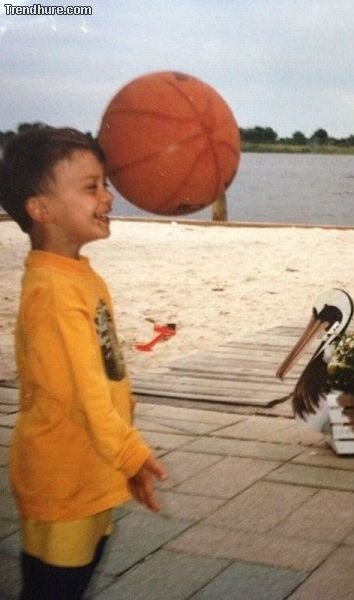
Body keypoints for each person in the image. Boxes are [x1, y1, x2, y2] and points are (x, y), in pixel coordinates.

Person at [0, 126, 167, 599]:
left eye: (105, 184)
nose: (108, 196)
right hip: (63, 477)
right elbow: (86, 392)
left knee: (73, 582)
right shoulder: (54, 293)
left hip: (91, 466)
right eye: (91, 187)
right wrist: (131, 454)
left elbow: (106, 374)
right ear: (40, 209)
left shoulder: (76, 275)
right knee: (54, 587)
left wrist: (122, 460)